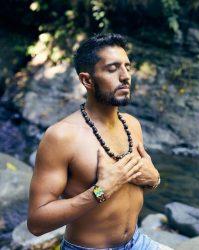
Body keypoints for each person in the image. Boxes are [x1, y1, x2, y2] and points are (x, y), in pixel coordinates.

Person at [27, 33, 170, 250]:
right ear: (87, 80)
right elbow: (36, 224)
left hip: (136, 242)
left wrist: (154, 179)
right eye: (112, 69)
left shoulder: (132, 125)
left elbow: (137, 184)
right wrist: (100, 191)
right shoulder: (62, 136)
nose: (125, 76)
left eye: (127, 67)